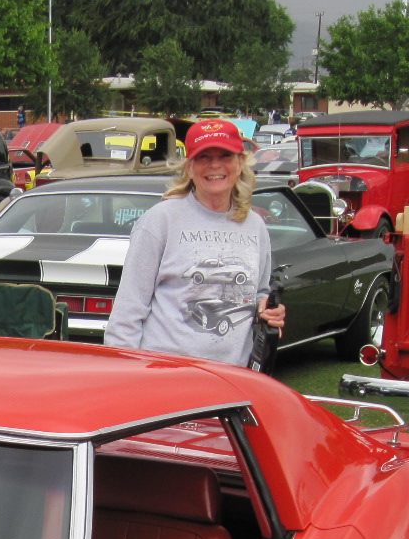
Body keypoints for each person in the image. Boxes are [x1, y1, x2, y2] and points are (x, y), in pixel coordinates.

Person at [105, 118, 285, 366]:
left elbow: (258, 295)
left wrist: (266, 311)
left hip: (233, 377)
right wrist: (125, 373)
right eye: (203, 157)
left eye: (225, 155)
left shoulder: (255, 225)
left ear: (240, 163)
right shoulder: (161, 220)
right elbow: (128, 311)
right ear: (189, 167)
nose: (215, 165)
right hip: (166, 374)